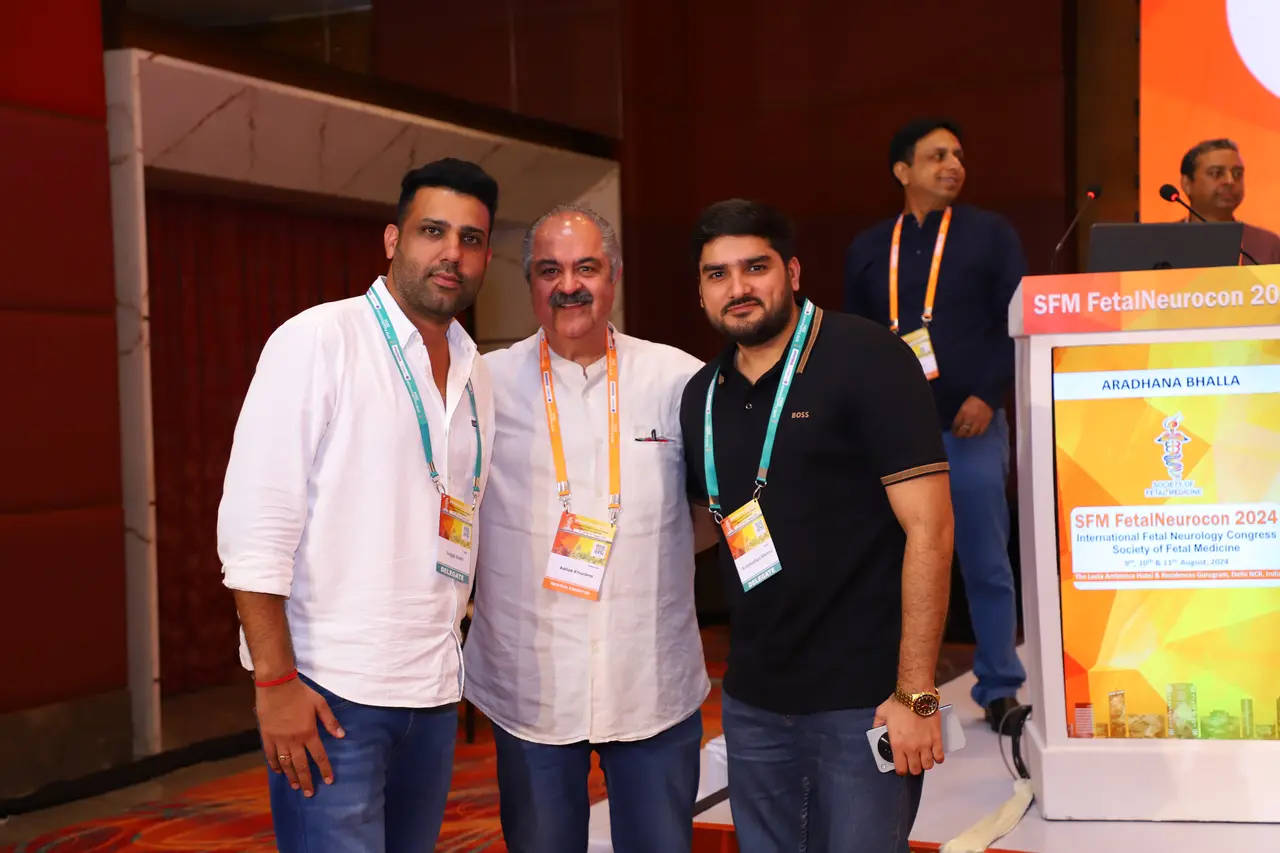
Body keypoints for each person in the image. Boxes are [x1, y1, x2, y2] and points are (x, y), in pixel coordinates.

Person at [218, 158, 499, 853]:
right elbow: (255, 529)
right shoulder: (320, 339)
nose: (451, 253)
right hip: (330, 694)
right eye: (433, 230)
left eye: (469, 239)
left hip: (433, 691)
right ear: (392, 238)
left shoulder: (476, 372)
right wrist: (275, 681)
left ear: (486, 257)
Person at [680, 198, 954, 852]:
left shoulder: (868, 357)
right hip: (752, 704)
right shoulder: (702, 395)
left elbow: (932, 528)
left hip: (864, 702)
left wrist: (916, 693)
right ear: (701, 290)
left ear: (793, 271)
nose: (738, 287)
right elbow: (703, 526)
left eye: (756, 267)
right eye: (718, 274)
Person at [462, 204, 712, 853]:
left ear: (614, 277)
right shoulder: (484, 385)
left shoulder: (677, 378)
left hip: (650, 677)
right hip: (530, 683)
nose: (568, 285)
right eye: (549, 270)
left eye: (586, 268)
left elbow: (710, 513)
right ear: (529, 282)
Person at [843, 117, 1027, 732]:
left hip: (970, 425)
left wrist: (987, 395)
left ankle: (999, 685)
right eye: (937, 156)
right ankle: (893, 682)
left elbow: (1014, 322)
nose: (953, 165)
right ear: (903, 171)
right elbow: (857, 339)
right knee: (892, 563)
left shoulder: (990, 234)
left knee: (984, 561)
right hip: (894, 434)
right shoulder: (870, 247)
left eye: (958, 155)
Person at [1178, 138, 1280, 264]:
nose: (1230, 181)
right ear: (1187, 184)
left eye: (1237, 174)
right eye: (1216, 173)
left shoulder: (1267, 245)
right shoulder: (1163, 242)